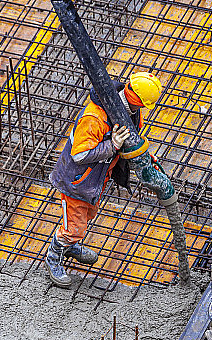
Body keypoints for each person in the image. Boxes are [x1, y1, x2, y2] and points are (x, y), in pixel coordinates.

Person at [45, 72, 162, 288]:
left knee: (87, 216)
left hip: (93, 181)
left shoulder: (130, 113)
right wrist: (112, 146)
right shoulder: (95, 118)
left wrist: (143, 155)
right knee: (74, 226)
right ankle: (54, 257)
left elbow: (132, 139)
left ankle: (69, 245)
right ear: (138, 100)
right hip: (77, 181)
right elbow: (79, 155)